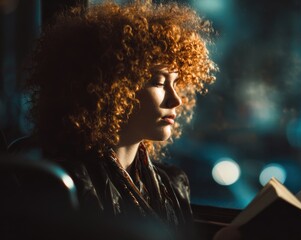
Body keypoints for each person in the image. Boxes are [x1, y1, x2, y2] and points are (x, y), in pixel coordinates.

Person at [23, 1, 217, 239]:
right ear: (110, 87)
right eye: (158, 82)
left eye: (177, 83)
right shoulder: (62, 183)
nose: (176, 100)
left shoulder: (173, 186)